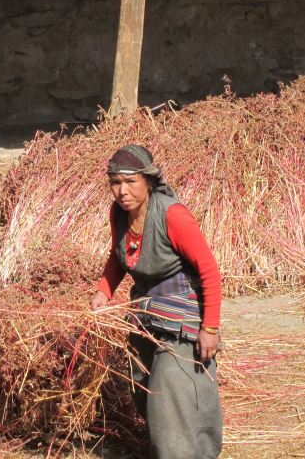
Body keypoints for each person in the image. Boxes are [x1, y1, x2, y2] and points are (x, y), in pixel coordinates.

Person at [90, 144, 223, 459]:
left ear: (148, 181)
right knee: (144, 386)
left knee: (169, 393)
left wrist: (210, 328)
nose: (122, 191)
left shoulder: (172, 215)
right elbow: (119, 257)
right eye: (115, 182)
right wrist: (103, 291)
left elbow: (210, 272)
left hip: (183, 317)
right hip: (146, 314)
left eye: (130, 182)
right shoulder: (119, 214)